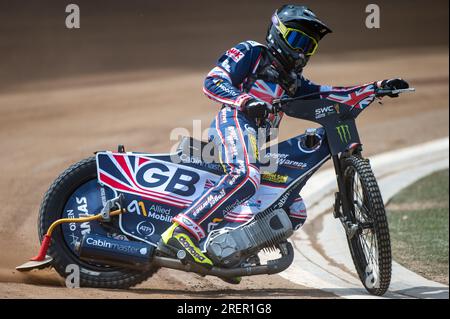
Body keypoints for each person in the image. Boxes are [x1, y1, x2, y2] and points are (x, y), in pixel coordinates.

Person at [160, 4, 409, 270]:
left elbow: (332, 94)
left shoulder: (294, 81)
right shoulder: (253, 52)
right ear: (277, 33)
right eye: (297, 39)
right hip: (234, 122)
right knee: (246, 175)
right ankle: (180, 232)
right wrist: (245, 101)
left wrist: (376, 88)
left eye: (309, 45)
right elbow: (213, 81)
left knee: (294, 208)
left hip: (256, 141)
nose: (302, 50)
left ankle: (230, 252)